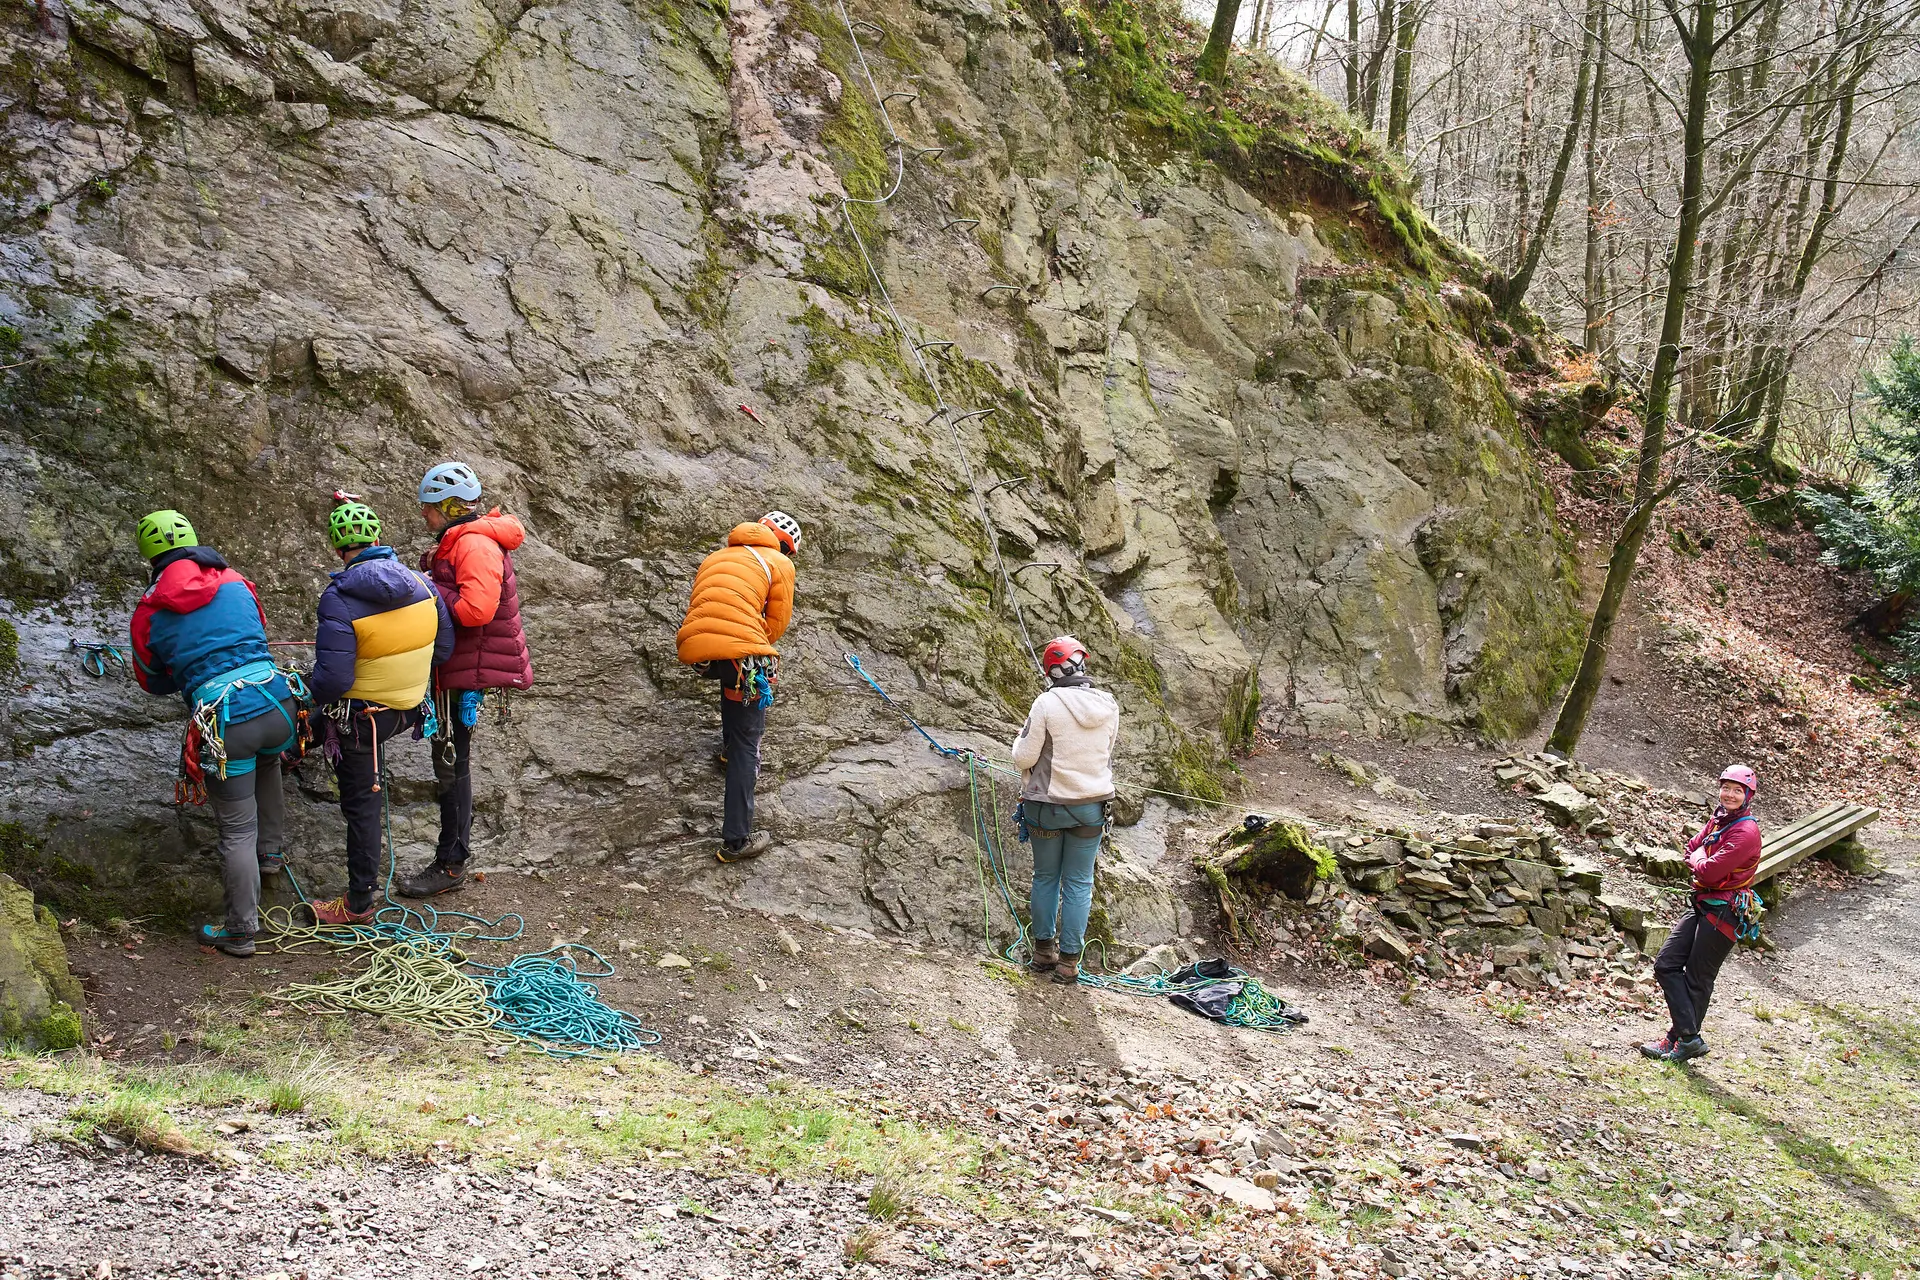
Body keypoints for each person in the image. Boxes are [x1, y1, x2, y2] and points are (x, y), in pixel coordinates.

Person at [129, 510, 301, 959]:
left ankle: (241, 930)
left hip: (226, 719)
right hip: (277, 702)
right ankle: (272, 856)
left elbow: (151, 680)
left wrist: (186, 670)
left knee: (236, 828)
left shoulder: (149, 611)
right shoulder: (236, 580)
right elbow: (258, 629)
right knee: (267, 761)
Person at [307, 500, 452, 925]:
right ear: (377, 538)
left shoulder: (339, 597)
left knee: (361, 807)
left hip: (360, 719)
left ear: (339, 550)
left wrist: (313, 683)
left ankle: (357, 905)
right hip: (407, 710)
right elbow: (442, 650)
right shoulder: (423, 585)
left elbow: (331, 682)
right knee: (318, 738)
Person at [396, 462, 534, 899]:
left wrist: (425, 588)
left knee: (452, 763)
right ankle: (451, 856)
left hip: (463, 669)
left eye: (429, 508)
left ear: (449, 507)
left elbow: (477, 610)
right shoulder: (466, 539)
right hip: (459, 667)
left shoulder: (473, 544)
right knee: (452, 762)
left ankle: (451, 862)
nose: (424, 515)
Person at [675, 511, 800, 863]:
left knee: (733, 673)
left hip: (698, 653)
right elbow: (776, 624)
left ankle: (728, 748)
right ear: (786, 547)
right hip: (739, 658)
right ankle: (737, 840)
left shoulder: (715, 556)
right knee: (750, 738)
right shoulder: (778, 563)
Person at [1011, 636, 1120, 985]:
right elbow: (1107, 749)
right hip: (1091, 807)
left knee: (1046, 877)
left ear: (1051, 671)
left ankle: (1044, 952)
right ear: (1082, 665)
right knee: (1079, 882)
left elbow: (1024, 757)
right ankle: (1070, 962)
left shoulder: (1046, 703)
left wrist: (1018, 739)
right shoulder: (1108, 705)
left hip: (1047, 807)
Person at [1642, 764, 1762, 1063]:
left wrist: (1698, 859)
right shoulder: (1719, 821)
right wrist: (1698, 858)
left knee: (1698, 977)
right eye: (1726, 788)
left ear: (1748, 796)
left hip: (1725, 911)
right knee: (1667, 964)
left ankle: (1679, 1041)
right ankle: (1687, 1038)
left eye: (1737, 790)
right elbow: (1691, 848)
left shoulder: (1746, 831)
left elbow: (1709, 871)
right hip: (1704, 904)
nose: (1729, 794)